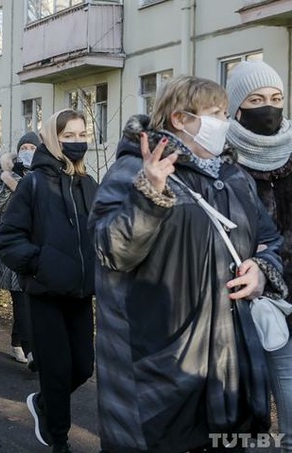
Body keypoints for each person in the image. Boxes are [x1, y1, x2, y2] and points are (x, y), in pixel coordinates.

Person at [89, 75, 285, 453]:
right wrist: (150, 194)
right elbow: (111, 252)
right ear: (180, 119)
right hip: (160, 361)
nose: (225, 122)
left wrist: (261, 269)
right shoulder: (132, 173)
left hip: (231, 359)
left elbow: (270, 240)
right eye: (215, 113)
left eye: (226, 113)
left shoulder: (234, 177)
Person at [0, 110, 97, 453]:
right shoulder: (34, 184)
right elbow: (7, 239)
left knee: (83, 367)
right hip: (46, 292)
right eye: (69, 135)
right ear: (54, 139)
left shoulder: (89, 183)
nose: (77, 141)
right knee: (56, 370)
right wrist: (41, 263)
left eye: (82, 134)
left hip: (81, 294)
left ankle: (42, 404)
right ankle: (59, 439)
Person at [225, 60, 292, 452]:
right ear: (237, 108)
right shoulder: (224, 161)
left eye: (276, 98)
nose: (269, 106)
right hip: (251, 299)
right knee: (250, 410)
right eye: (257, 99)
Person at [0, 131, 40, 367]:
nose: (28, 151)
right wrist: (12, 182)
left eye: (32, 147)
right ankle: (30, 351)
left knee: (29, 299)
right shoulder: (4, 175)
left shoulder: (42, 175)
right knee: (21, 299)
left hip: (35, 247)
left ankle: (17, 341)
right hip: (11, 248)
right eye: (24, 147)